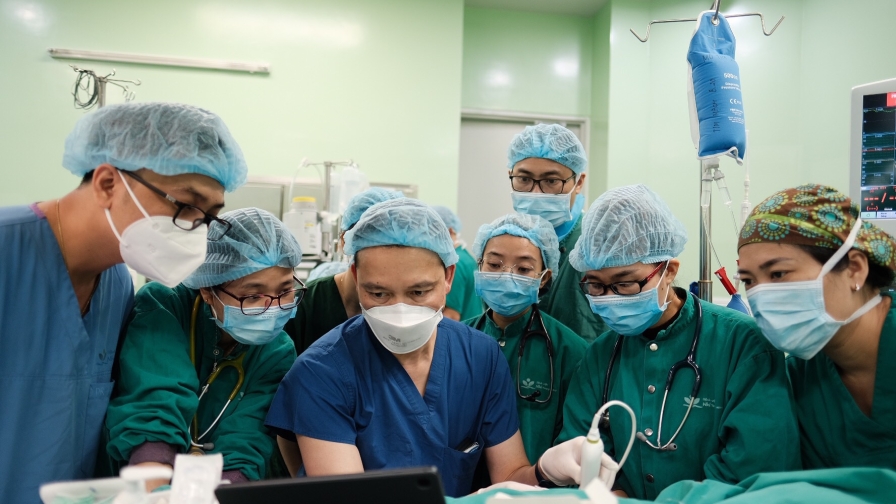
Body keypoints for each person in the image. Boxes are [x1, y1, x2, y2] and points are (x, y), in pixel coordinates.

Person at [0, 102, 247, 504]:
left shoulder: (116, 282)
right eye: (184, 206)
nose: (195, 230)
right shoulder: (7, 251)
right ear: (107, 184)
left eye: (208, 217)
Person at [265, 198, 587, 496]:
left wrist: (544, 472)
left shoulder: (481, 357)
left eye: (419, 293)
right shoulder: (322, 372)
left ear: (448, 278)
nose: (399, 310)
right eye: (378, 294)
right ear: (354, 276)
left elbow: (508, 479)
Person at [551, 184, 800, 500]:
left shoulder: (743, 345)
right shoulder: (600, 356)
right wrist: (608, 491)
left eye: (625, 283)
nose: (609, 298)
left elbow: (756, 466)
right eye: (596, 286)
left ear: (669, 271)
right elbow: (578, 451)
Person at [100, 207, 302, 488]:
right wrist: (155, 484)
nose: (272, 308)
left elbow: (248, 434)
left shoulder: (277, 350)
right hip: (142, 474)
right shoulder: (166, 306)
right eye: (252, 296)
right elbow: (155, 397)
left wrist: (226, 489)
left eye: (284, 291)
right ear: (207, 290)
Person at [737, 184, 896, 471]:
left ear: (854, 269)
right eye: (749, 281)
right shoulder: (798, 378)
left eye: (778, 274)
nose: (761, 294)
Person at [465, 213, 587, 465]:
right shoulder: (458, 341)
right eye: (494, 265)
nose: (506, 275)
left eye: (523, 268)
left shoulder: (569, 350)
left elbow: (574, 436)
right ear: (479, 266)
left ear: (544, 279)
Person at [507, 124, 606, 342]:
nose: (535, 192)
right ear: (510, 175)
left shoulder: (597, 242)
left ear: (578, 182)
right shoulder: (505, 244)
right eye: (524, 179)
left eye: (551, 181)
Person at [284, 187, 403, 352]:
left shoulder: (406, 306)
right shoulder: (306, 306)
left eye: (395, 243)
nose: (384, 253)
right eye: (373, 240)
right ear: (344, 240)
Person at [433, 205, 482, 320]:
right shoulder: (466, 257)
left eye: (433, 233)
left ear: (450, 231)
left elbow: (451, 315)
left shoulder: (455, 263)